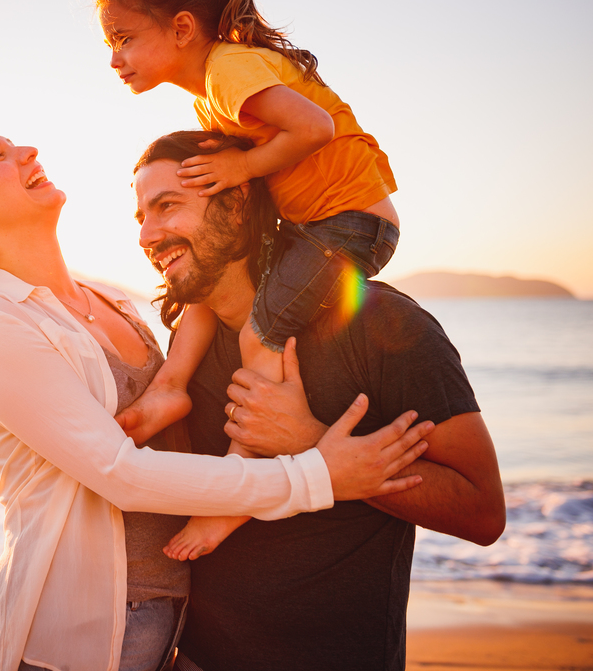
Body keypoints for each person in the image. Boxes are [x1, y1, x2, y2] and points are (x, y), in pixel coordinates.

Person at [0, 123, 434, 671]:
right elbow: (124, 475)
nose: (27, 150)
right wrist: (319, 474)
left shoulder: (110, 301)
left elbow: (210, 298)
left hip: (170, 617)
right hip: (79, 630)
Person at [132, 131, 505, 671]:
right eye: (140, 216)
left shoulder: (379, 323)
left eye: (167, 206)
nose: (148, 234)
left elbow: (482, 511)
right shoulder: (187, 349)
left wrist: (308, 443)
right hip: (192, 658)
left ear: (237, 203)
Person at [97, 0, 399, 441]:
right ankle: (172, 386)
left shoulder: (228, 71)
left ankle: (245, 466)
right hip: (312, 226)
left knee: (261, 335)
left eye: (125, 39)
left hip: (351, 223)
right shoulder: (211, 95)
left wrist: (240, 163)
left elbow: (314, 128)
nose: (114, 59)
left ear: (181, 28)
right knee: (210, 283)